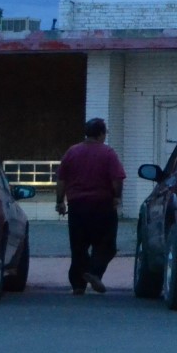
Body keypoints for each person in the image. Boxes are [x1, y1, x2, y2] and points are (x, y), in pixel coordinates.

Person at [55, 117, 126, 295]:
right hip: (102, 205)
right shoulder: (108, 153)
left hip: (77, 206)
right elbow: (117, 179)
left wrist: (60, 201)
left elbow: (61, 179)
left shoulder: (72, 152)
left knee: (78, 246)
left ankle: (78, 284)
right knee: (106, 244)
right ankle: (94, 272)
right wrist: (117, 197)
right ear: (101, 134)